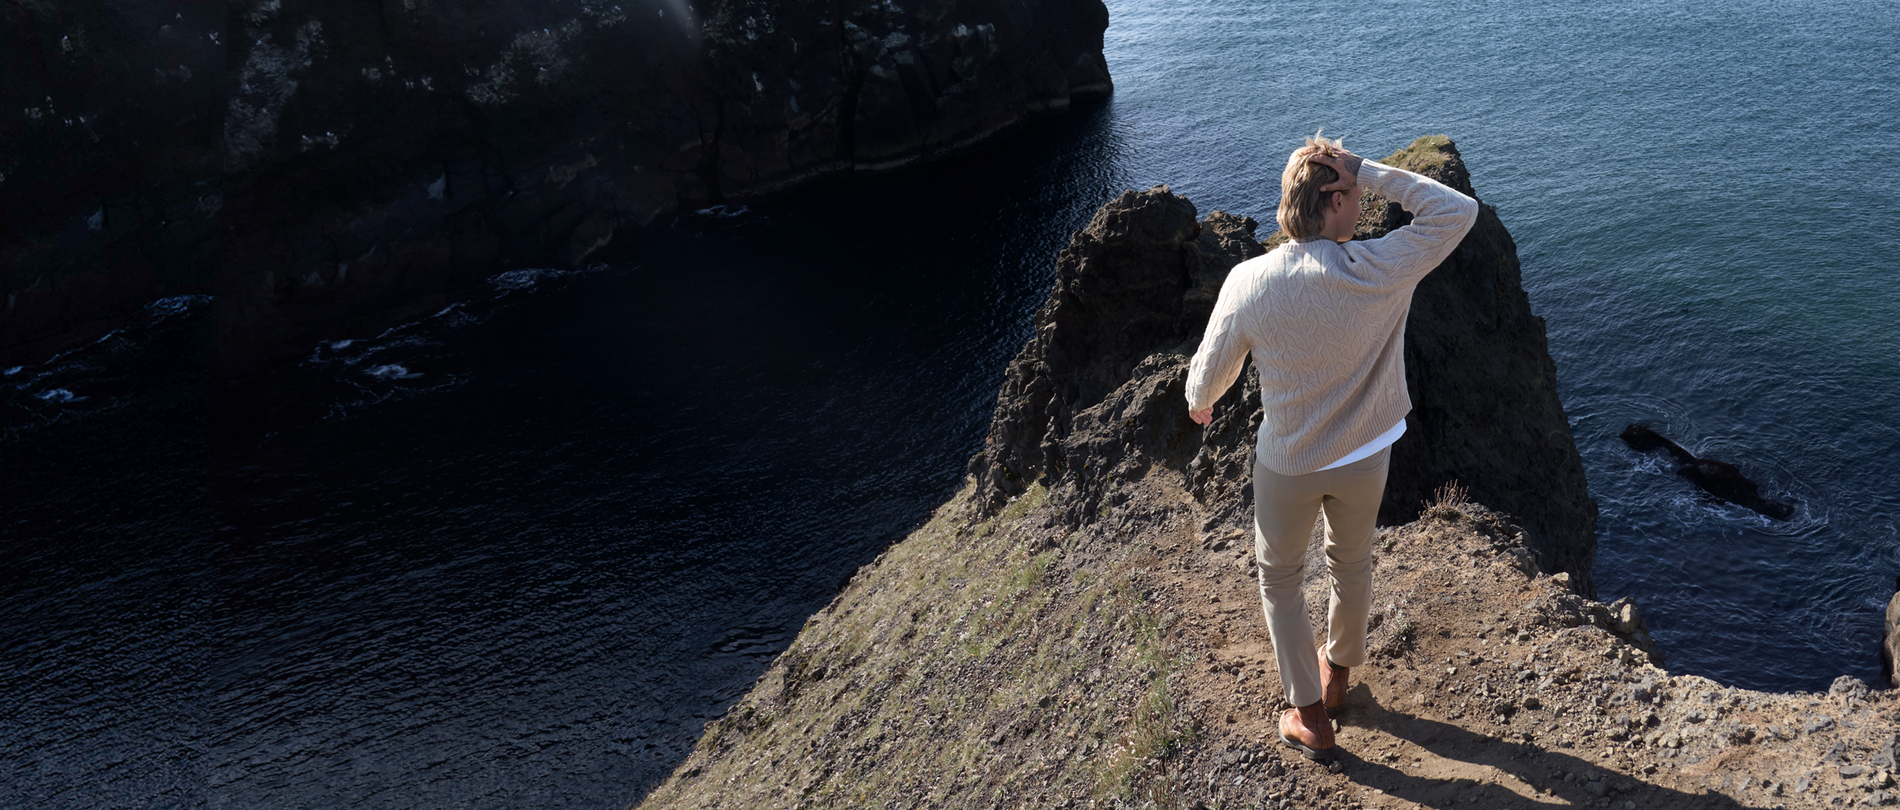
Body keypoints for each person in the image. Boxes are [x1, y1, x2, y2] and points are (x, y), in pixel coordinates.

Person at [1184, 132, 1478, 760]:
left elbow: (1207, 378)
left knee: (1281, 578)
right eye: (1350, 192)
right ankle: (1337, 676)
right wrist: (1367, 170)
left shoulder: (1249, 280)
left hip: (1288, 461)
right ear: (1334, 199)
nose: (1361, 204)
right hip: (1367, 452)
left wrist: (1200, 401)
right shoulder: (1380, 267)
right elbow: (1457, 212)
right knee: (1351, 559)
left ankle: (1311, 714)